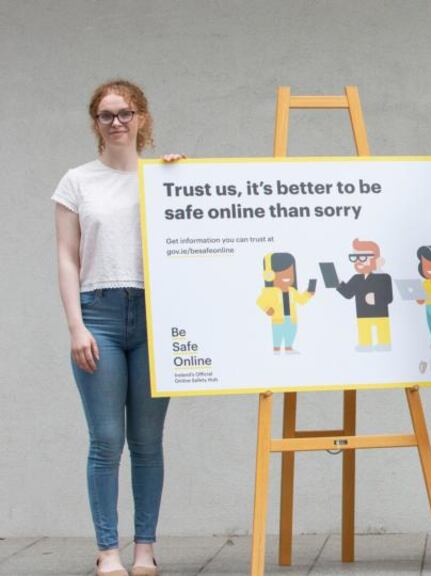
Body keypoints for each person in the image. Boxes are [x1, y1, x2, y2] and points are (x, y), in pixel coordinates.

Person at [53, 80, 183, 576]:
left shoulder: (161, 177)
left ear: (142, 117)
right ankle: (108, 550)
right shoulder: (76, 182)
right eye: (106, 115)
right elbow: (66, 258)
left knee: (148, 442)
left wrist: (181, 182)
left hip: (154, 315)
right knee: (106, 440)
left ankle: (145, 548)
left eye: (125, 113)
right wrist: (76, 326)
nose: (116, 123)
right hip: (99, 315)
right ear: (95, 123)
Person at [335, 238, 393, 351]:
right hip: (363, 313)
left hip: (380, 314)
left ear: (377, 259)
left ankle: (384, 344)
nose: (358, 261)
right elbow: (348, 294)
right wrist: (338, 283)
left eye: (363, 257)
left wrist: (376, 299)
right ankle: (365, 345)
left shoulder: (384, 278)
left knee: (382, 332)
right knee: (364, 331)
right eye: (355, 258)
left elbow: (389, 298)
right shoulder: (356, 278)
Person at [256, 252, 316, 353]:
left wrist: (309, 293)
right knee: (278, 335)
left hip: (291, 319)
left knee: (291, 333)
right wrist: (267, 309)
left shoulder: (292, 291)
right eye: (283, 273)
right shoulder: (270, 291)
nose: (288, 276)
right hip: (278, 320)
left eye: (290, 273)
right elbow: (260, 301)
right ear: (269, 275)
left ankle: (288, 348)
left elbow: (301, 300)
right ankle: (276, 349)